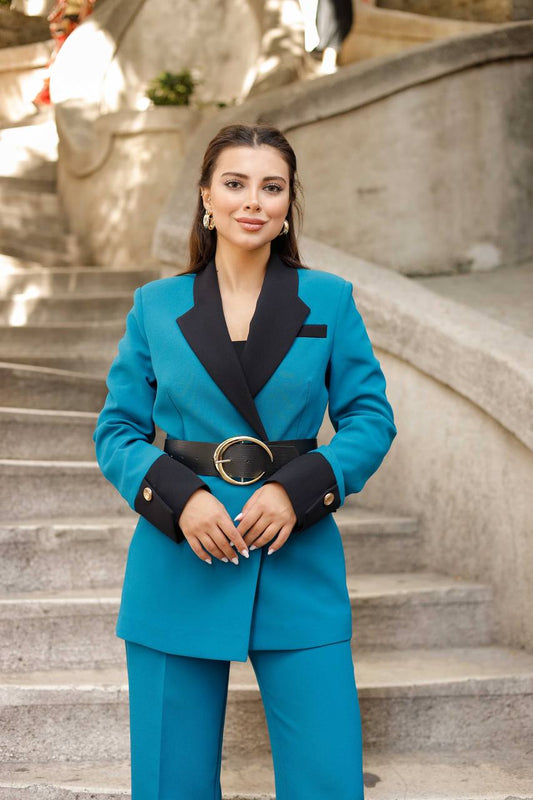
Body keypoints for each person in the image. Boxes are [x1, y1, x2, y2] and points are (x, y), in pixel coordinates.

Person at [93, 122, 397, 799]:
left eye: (271, 186)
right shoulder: (156, 305)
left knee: (326, 780)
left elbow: (369, 420)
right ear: (206, 197)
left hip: (295, 555)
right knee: (171, 784)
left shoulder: (328, 299)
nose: (252, 200)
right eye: (234, 184)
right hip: (180, 558)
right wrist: (181, 497)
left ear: (289, 204)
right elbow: (116, 430)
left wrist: (299, 490)